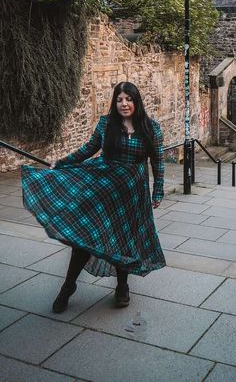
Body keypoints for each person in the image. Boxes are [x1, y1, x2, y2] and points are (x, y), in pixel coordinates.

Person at [21, 82, 166, 313]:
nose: (124, 104)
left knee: (124, 240)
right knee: (85, 238)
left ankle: (122, 287)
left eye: (128, 99)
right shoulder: (106, 124)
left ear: (136, 101)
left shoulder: (151, 128)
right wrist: (61, 163)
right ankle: (68, 287)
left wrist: (158, 189)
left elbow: (158, 162)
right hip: (103, 189)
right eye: (119, 100)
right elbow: (88, 149)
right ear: (114, 102)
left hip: (131, 194)